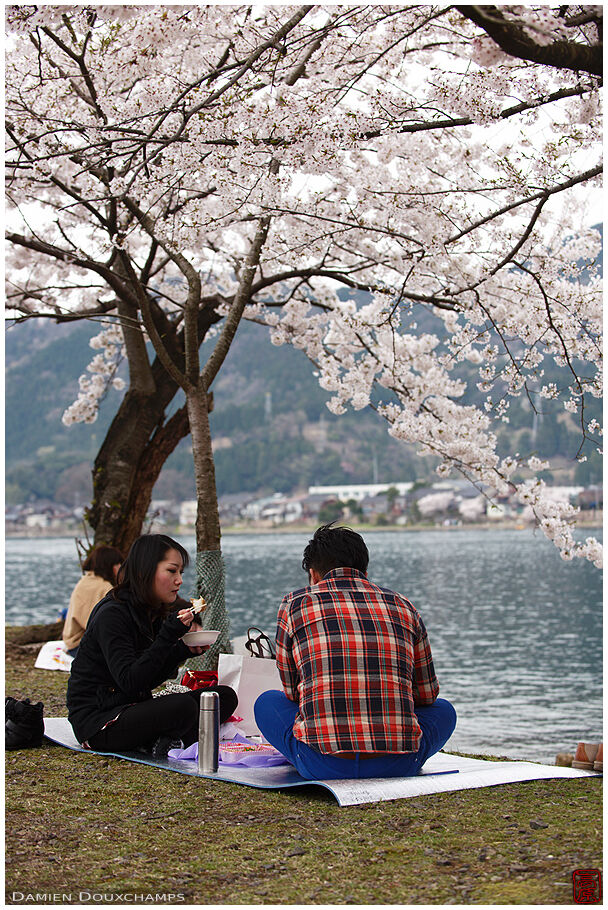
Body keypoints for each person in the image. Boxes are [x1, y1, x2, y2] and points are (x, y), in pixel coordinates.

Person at [254, 523, 456, 780]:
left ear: (314, 575)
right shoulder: (404, 606)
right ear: (365, 572)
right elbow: (427, 696)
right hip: (399, 763)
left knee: (267, 702)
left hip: (321, 763)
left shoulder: (294, 604)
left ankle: (310, 754)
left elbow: (292, 692)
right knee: (444, 711)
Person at [67, 534, 237, 756]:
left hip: (132, 704)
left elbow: (149, 679)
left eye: (181, 573)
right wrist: (168, 636)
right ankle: (171, 739)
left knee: (222, 697)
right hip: (99, 719)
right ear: (144, 571)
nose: (179, 580)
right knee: (183, 707)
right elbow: (131, 681)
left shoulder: (151, 610)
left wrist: (181, 651)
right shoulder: (113, 614)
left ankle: (165, 740)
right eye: (171, 571)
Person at [63, 545, 124, 657]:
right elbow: (103, 626)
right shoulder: (104, 587)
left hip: (72, 643)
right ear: (113, 567)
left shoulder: (87, 580)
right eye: (119, 564)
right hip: (80, 645)